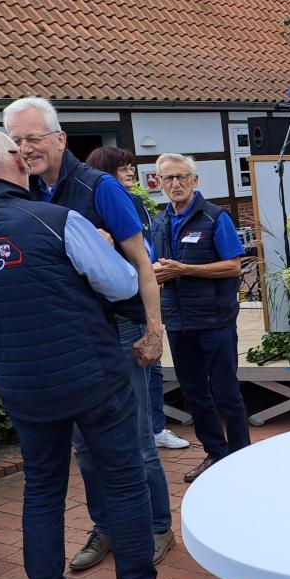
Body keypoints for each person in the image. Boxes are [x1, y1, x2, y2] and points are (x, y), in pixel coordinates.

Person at [0, 132, 185, 579]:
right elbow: (123, 284)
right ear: (20, 165)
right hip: (93, 377)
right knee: (123, 480)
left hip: (22, 386)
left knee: (42, 490)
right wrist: (100, 254)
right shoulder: (55, 219)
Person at [3, 99, 175, 572]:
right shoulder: (23, 193)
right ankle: (107, 527)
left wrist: (153, 330)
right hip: (72, 337)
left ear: (60, 139)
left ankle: (158, 526)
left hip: (119, 329)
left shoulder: (100, 188)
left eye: (33, 137)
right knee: (86, 447)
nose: (25, 148)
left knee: (136, 440)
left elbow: (143, 264)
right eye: (16, 141)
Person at [150, 153, 249, 483]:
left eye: (182, 177)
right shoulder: (159, 222)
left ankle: (242, 456)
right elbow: (154, 267)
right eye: (168, 178)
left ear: (195, 180)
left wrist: (184, 269)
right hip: (178, 322)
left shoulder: (214, 217)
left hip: (215, 320)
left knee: (226, 392)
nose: (176, 184)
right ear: (159, 183)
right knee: (194, 394)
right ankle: (216, 454)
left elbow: (233, 266)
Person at [85, 146, 191, 452]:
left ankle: (156, 428)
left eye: (131, 166)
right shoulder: (96, 206)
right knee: (136, 375)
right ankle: (142, 439)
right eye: (123, 168)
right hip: (124, 308)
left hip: (149, 294)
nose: (131, 172)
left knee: (153, 369)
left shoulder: (136, 202)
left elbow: (144, 247)